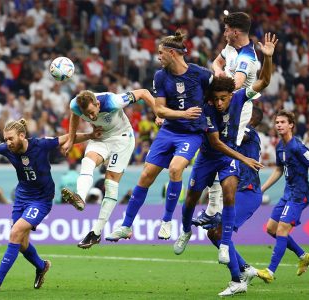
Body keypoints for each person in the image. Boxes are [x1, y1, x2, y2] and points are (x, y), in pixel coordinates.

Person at [0, 118, 100, 292]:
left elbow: (66, 137)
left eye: (11, 138)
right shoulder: (8, 149)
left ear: (22, 135)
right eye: (6, 139)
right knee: (21, 243)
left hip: (41, 200)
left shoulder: (40, 145)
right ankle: (42, 266)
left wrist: (90, 135)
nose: (8, 142)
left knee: (15, 232)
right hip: (22, 199)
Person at [173, 33, 277, 265]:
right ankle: (186, 230)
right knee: (190, 199)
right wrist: (245, 158)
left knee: (229, 195)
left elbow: (264, 82)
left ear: (231, 95)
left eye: (223, 98)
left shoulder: (240, 97)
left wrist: (267, 58)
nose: (220, 103)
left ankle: (224, 245)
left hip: (226, 158)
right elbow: (216, 143)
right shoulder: (208, 109)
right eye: (216, 99)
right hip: (209, 157)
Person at [106, 29, 208, 242]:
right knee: (146, 175)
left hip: (191, 134)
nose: (158, 57)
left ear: (172, 53)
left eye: (161, 53)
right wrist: (182, 114)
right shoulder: (161, 76)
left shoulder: (200, 74)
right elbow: (160, 110)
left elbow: (220, 94)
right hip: (169, 131)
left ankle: (167, 221)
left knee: (175, 168)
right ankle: (126, 226)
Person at [60, 88, 156, 249]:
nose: (91, 117)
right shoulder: (75, 105)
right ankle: (80, 198)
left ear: (98, 104)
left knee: (110, 183)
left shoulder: (114, 101)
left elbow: (144, 93)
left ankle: (95, 233)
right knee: (87, 161)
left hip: (122, 139)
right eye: (87, 114)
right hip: (101, 137)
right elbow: (74, 116)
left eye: (92, 112)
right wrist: (71, 139)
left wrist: (158, 113)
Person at [195, 11, 259, 229]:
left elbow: (237, 85)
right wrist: (218, 73)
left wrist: (217, 84)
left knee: (223, 150)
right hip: (223, 104)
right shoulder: (231, 49)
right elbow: (217, 62)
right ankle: (213, 210)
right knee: (214, 150)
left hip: (239, 108)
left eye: (226, 29)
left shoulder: (247, 58)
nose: (223, 32)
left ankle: (217, 211)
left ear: (235, 31)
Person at [256, 110, 309, 283]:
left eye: (283, 122)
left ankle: (270, 271)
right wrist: (262, 189)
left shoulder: (298, 146)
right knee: (271, 229)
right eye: (277, 122)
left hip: (299, 195)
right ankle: (303, 255)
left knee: (282, 229)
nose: (279, 125)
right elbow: (278, 170)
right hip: (287, 193)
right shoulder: (280, 147)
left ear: (291, 124)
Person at [199, 107, 263, 296]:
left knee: (218, 232)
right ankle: (244, 268)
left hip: (247, 191)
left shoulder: (248, 133)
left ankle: (237, 280)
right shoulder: (240, 134)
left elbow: (224, 138)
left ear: (248, 117)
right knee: (213, 233)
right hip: (237, 192)